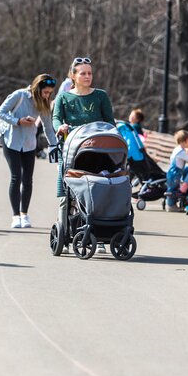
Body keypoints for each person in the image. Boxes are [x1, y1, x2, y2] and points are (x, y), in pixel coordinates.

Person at [52, 56, 115, 252]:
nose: (87, 76)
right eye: (83, 73)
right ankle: (66, 233)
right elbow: (56, 118)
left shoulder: (100, 96)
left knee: (97, 190)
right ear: (73, 76)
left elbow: (110, 122)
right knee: (66, 196)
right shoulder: (64, 97)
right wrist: (60, 127)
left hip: (96, 151)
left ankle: (100, 233)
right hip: (71, 150)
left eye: (89, 73)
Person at [0, 74, 57, 229]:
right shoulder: (20, 95)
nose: (47, 95)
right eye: (45, 92)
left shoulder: (44, 103)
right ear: (37, 88)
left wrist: (54, 146)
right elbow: (0, 113)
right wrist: (17, 121)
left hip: (29, 144)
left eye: (50, 93)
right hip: (12, 142)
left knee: (28, 180)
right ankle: (15, 216)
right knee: (16, 177)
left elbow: (49, 128)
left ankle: (25, 214)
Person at [165, 129, 188, 212]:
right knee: (172, 190)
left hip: (172, 172)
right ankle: (171, 206)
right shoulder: (181, 152)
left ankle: (170, 204)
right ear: (186, 141)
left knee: (171, 188)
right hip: (175, 173)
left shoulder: (177, 149)